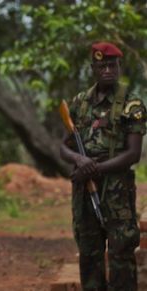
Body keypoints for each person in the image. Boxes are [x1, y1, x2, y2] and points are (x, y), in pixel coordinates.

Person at [60, 42, 146, 291]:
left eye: (112, 65)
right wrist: (79, 160)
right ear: (93, 69)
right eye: (102, 66)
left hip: (117, 192)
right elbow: (63, 146)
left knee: (121, 256)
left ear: (119, 67)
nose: (108, 70)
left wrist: (94, 168)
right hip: (84, 192)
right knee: (89, 255)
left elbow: (132, 154)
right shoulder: (79, 103)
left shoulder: (131, 103)